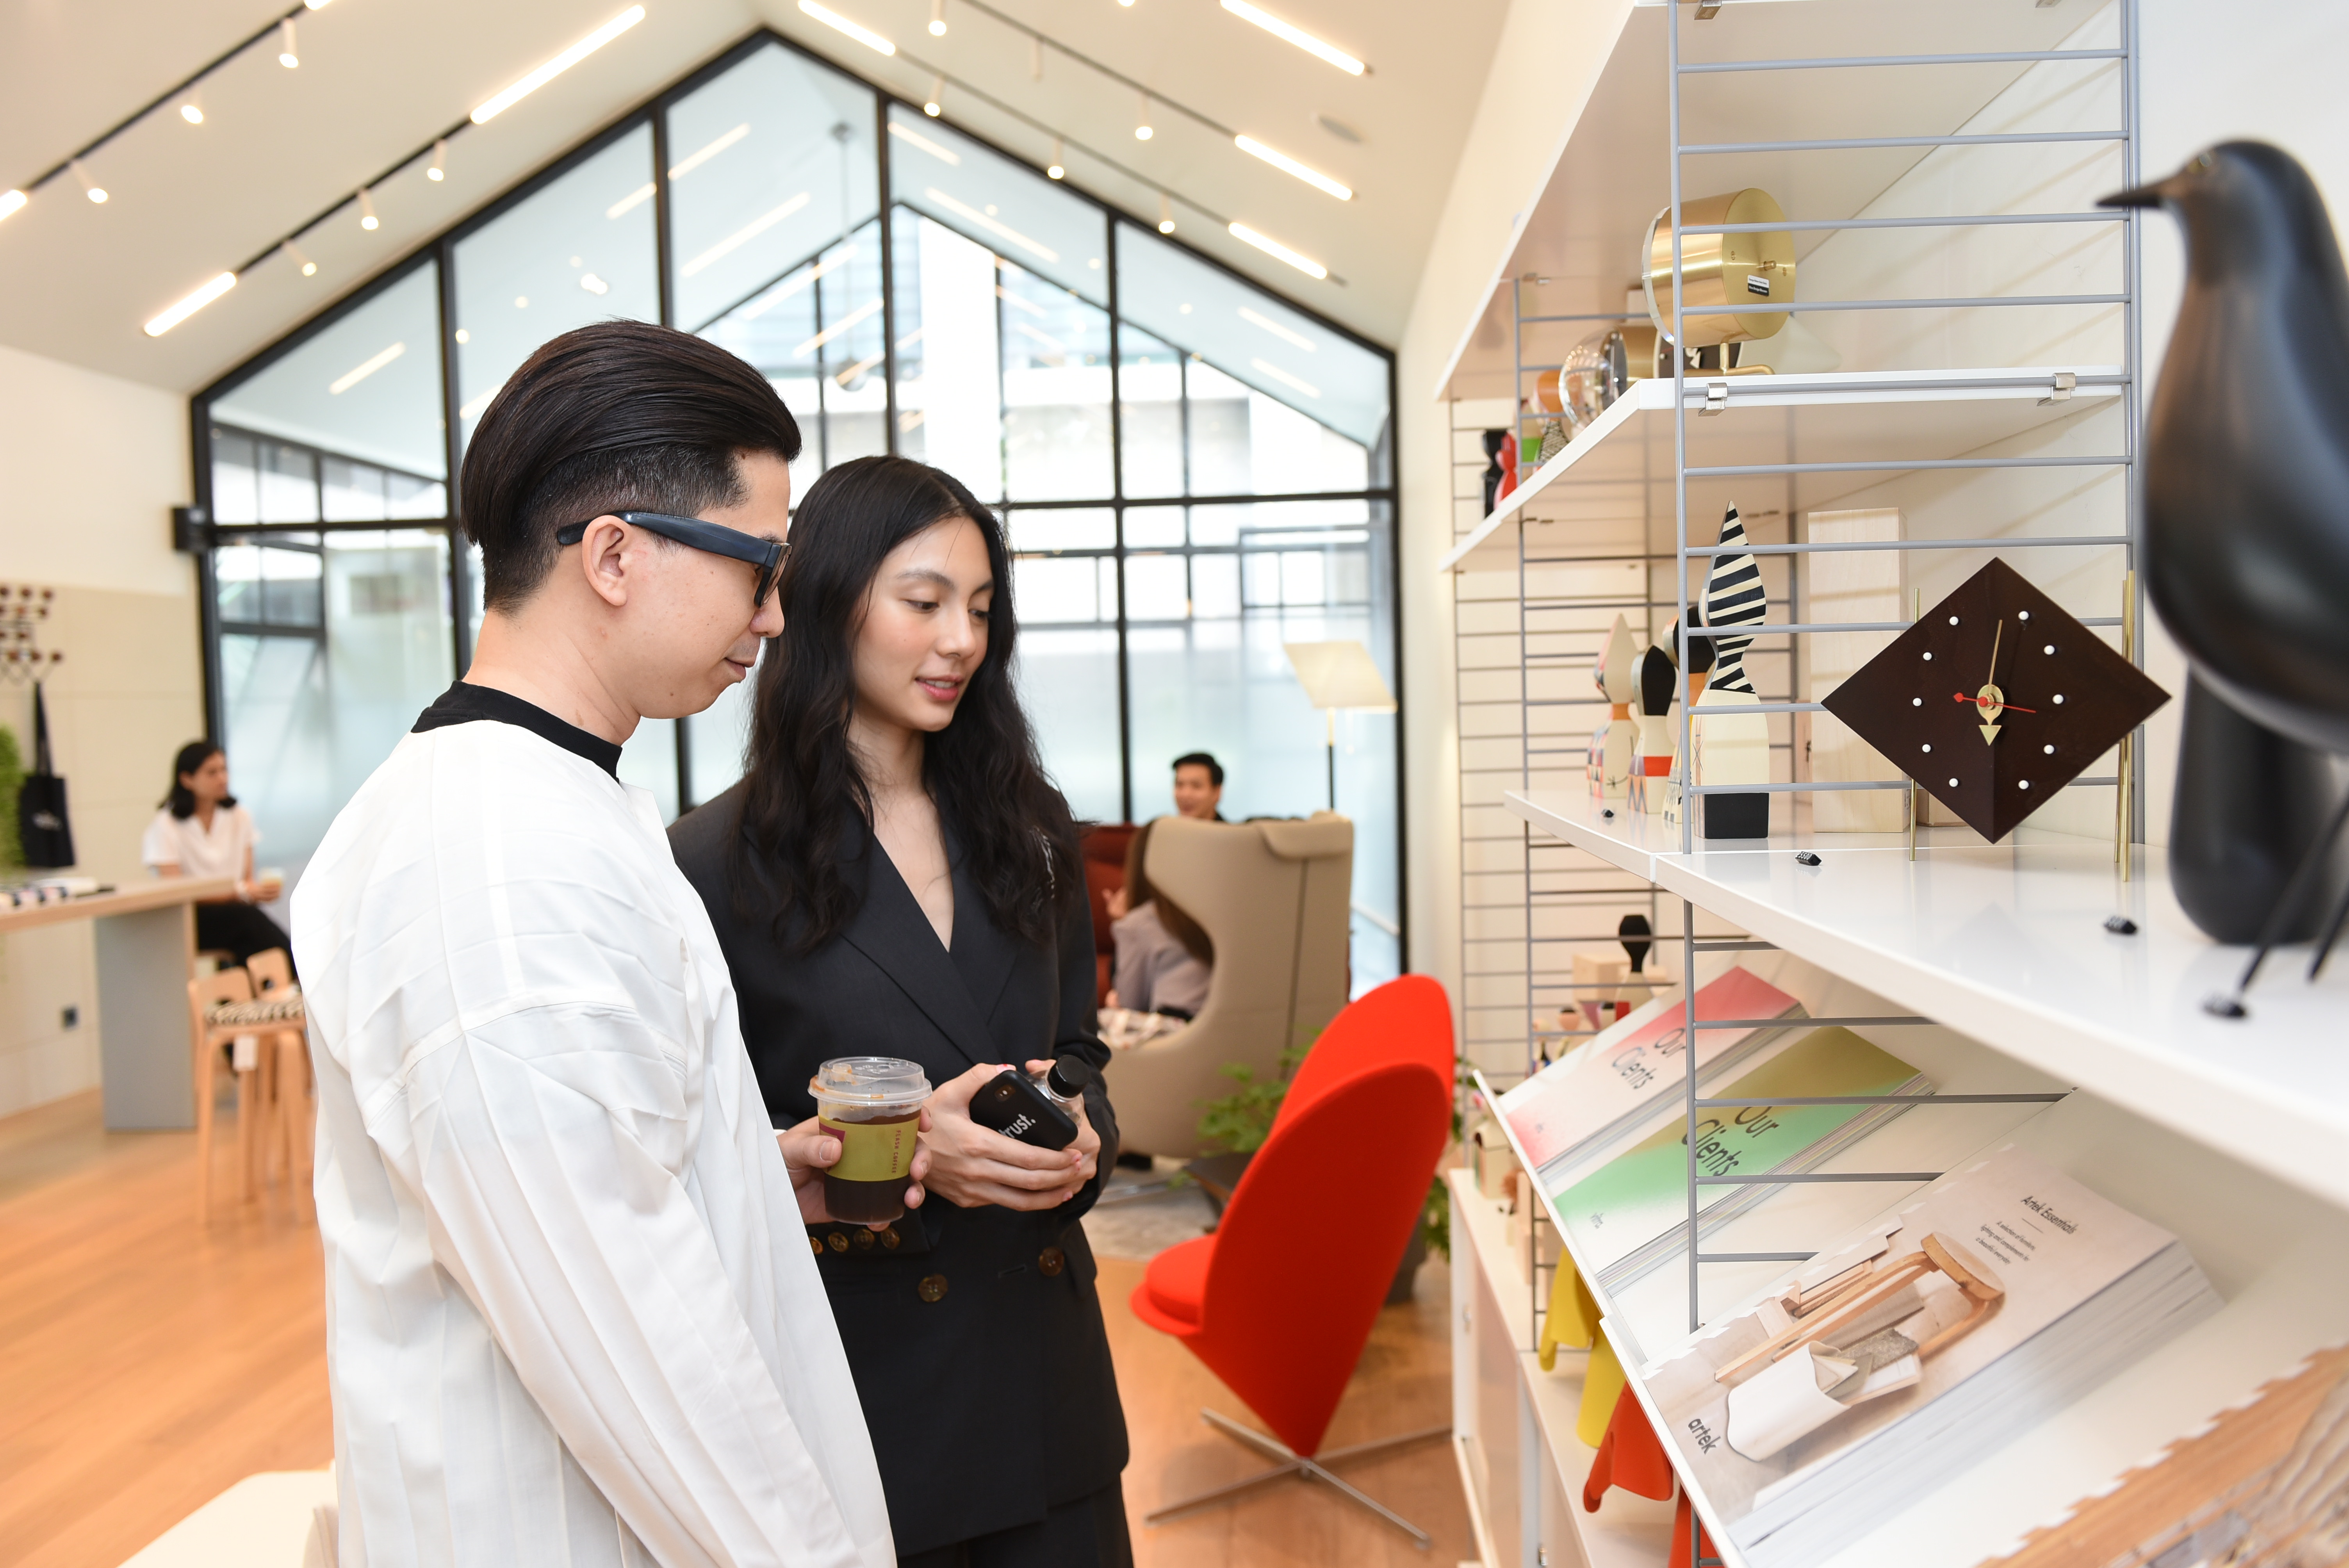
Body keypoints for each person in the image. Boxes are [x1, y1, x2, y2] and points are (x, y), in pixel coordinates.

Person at [291, 321, 898, 1568]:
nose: (776, 616)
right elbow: (622, 1329)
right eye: (759, 567)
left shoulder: (552, 803)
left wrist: (735, 1178)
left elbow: (570, 1186)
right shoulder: (492, 858)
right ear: (615, 554)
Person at [668, 454, 1131, 1568]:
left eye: (980, 608)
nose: (961, 639)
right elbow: (709, 1145)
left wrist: (1081, 1143)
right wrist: (916, 1153)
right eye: (923, 602)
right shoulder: (713, 861)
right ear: (829, 601)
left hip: (1049, 1386)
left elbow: (1077, 1049)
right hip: (871, 1395)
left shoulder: (1029, 824)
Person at [142, 740, 291, 969]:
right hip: (189, 918)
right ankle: (299, 977)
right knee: (249, 921)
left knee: (250, 939)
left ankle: (276, 985)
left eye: (224, 770)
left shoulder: (239, 816)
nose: (222, 779)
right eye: (212, 773)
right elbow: (174, 890)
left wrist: (259, 891)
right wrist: (239, 892)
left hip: (236, 912)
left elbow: (246, 880)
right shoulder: (166, 824)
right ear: (187, 779)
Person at [1103, 817, 1214, 1019]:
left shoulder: (1140, 923)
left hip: (1174, 1031)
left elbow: (1131, 1004)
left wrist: (1123, 924)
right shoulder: (1217, 911)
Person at [1170, 751, 1224, 820]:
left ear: (1217, 792)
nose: (1185, 795)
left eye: (1196, 786)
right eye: (1180, 785)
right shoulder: (1161, 826)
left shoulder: (1230, 828)